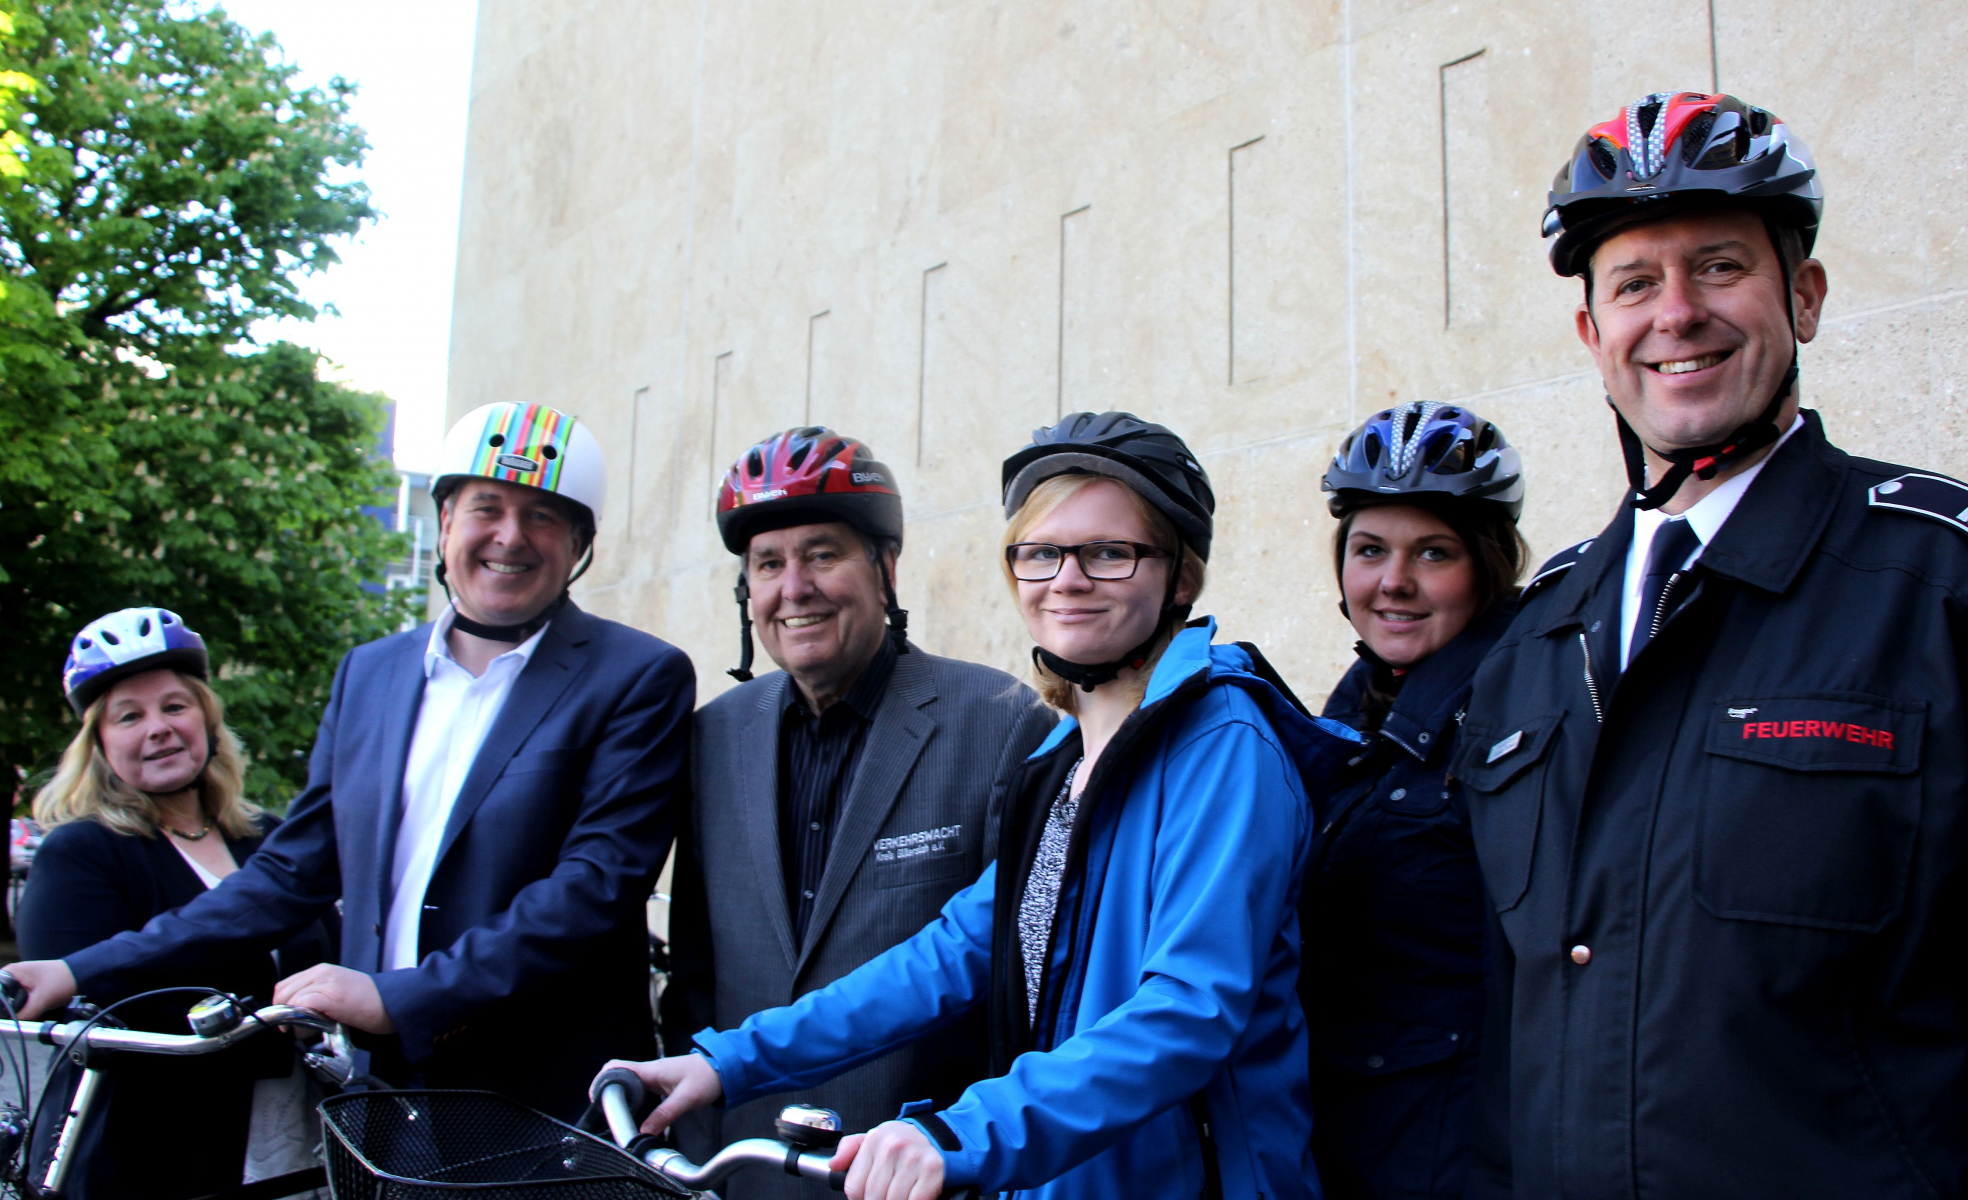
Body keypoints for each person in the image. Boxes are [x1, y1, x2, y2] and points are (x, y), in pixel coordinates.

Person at [607, 412, 1361, 1200]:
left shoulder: (1223, 745)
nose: (1067, 579)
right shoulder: (1064, 760)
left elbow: (1187, 1012)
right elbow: (953, 954)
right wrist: (727, 1062)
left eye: (1109, 552)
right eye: (1041, 552)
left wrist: (955, 1133)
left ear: (1178, 575)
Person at [1455, 91, 1968, 1198]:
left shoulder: (1937, 584)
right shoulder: (1535, 639)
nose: (1676, 313)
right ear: (1593, 335)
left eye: (1721, 266)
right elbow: (1510, 1031)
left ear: (1807, 297)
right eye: (1635, 283)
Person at [5, 401, 694, 1119]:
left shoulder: (637, 676)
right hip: (378, 1091)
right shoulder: (368, 674)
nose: (510, 537)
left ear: (579, 541)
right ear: (446, 522)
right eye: (487, 507)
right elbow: (286, 873)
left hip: (544, 1093)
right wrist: (78, 969)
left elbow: (594, 886)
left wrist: (399, 997)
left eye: (543, 517)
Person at [661, 427, 1055, 1198]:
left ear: (885, 570)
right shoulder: (712, 738)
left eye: (822, 554)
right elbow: (695, 982)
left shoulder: (1003, 724)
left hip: (919, 1178)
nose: (794, 587)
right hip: (746, 1174)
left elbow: (1020, 993)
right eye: (768, 564)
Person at [13, 608, 333, 1200]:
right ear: (100, 746)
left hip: (287, 1137)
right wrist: (273, 1021)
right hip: (144, 1154)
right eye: (129, 717)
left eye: (175, 707)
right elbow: (95, 1012)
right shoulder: (81, 852)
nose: (157, 727)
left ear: (208, 723)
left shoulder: (267, 838)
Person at [1299, 403, 1526, 1200]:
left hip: (1453, 1157)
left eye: (1433, 552)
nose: (1393, 582)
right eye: (1369, 550)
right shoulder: (1362, 701)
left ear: (1487, 566)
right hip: (1351, 1137)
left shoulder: (1524, 711)